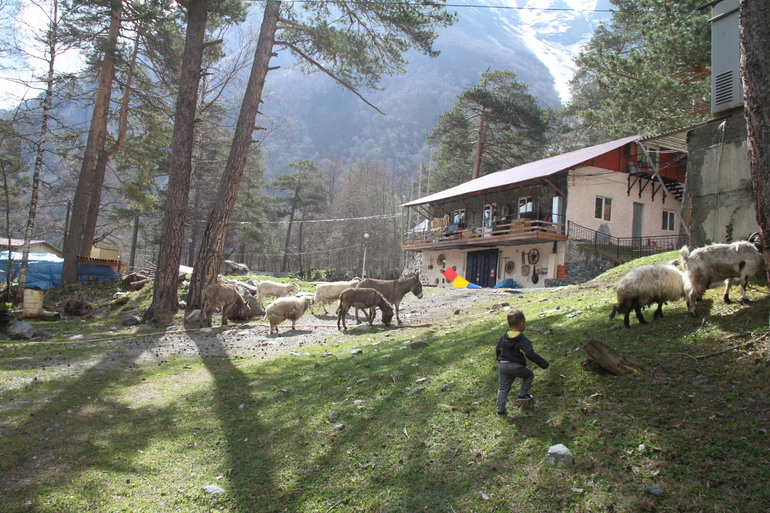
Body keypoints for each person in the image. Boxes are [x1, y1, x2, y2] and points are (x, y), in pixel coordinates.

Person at [495, 309, 550, 415]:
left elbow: (498, 348)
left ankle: (500, 409)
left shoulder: (504, 337)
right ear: (522, 324)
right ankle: (522, 394)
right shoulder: (521, 339)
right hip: (516, 366)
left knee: (503, 387)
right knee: (529, 375)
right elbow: (530, 353)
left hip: (503, 365)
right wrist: (543, 363)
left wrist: (499, 358)